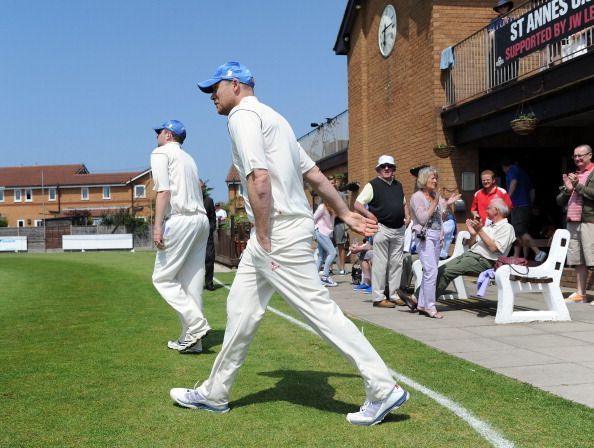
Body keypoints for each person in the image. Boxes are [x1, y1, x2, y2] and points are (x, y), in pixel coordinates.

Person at [170, 61, 409, 426]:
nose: (211, 97)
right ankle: (215, 393)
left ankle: (382, 388)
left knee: (319, 312)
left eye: (214, 88)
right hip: (272, 234)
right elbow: (314, 175)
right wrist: (344, 212)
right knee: (241, 309)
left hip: (275, 233)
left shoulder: (242, 118)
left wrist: (264, 234)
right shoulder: (276, 119)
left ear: (235, 85)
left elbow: (259, 179)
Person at [151, 120, 211, 354]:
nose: (157, 136)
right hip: (200, 220)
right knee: (191, 284)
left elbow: (163, 191)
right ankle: (193, 341)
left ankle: (196, 325)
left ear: (167, 135)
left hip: (182, 219)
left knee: (162, 278)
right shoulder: (188, 158)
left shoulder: (161, 152)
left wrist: (158, 227)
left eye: (159, 132)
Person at [415, 198, 515, 300]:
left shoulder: (507, 228)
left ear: (496, 210)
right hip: (472, 256)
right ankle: (419, 299)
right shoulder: (489, 226)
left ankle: (421, 300)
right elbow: (471, 246)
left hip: (485, 261)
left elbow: (494, 249)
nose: (486, 211)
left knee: (446, 272)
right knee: (440, 270)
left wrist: (480, 230)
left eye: (488, 208)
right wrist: (473, 234)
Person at [354, 155, 409, 309]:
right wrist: (370, 215)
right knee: (380, 263)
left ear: (393, 169)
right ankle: (378, 297)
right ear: (378, 169)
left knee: (396, 264)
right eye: (383, 166)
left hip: (399, 229)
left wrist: (407, 215)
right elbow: (358, 204)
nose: (386, 168)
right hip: (382, 228)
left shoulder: (398, 185)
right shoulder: (372, 185)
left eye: (390, 166)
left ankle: (394, 295)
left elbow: (404, 203)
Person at [409, 167, 460, 319]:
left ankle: (422, 304)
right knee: (431, 271)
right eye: (433, 178)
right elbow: (423, 218)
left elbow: (439, 219)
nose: (435, 181)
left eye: (436, 178)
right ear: (424, 179)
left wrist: (445, 205)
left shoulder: (434, 195)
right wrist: (436, 202)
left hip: (437, 236)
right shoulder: (417, 197)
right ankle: (430, 306)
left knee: (429, 272)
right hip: (425, 237)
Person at [557, 144, 594, 303]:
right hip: (573, 221)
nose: (577, 158)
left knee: (592, 258)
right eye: (575, 156)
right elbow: (559, 201)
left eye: (581, 155)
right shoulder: (575, 175)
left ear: (590, 155)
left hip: (589, 221)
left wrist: (577, 186)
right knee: (578, 260)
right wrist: (568, 189)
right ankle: (581, 294)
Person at [501, 159, 546, 262]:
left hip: (518, 205)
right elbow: (532, 190)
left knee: (520, 231)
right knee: (518, 232)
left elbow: (513, 182)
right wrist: (530, 204)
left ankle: (538, 252)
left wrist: (508, 198)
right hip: (525, 205)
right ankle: (518, 255)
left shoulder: (512, 170)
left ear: (504, 167)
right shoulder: (523, 172)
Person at [314, 199, 338, 287]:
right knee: (333, 252)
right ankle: (325, 277)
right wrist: (314, 232)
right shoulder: (322, 207)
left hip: (326, 234)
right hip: (320, 232)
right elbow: (313, 218)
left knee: (321, 256)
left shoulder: (332, 208)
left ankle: (314, 278)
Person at [329, 176, 349, 275]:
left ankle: (342, 268)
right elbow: (320, 208)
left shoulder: (341, 195)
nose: (332, 184)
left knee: (340, 246)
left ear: (336, 183)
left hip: (339, 223)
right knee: (329, 246)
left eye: (333, 182)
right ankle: (330, 268)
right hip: (328, 224)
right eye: (330, 183)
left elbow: (345, 208)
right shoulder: (324, 194)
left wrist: (336, 214)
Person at [202, 184, 216, 291]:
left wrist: (210, 229)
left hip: (207, 236)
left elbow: (213, 218)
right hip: (194, 236)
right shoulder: (191, 201)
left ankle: (209, 283)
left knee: (209, 259)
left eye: (202, 187)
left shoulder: (209, 201)